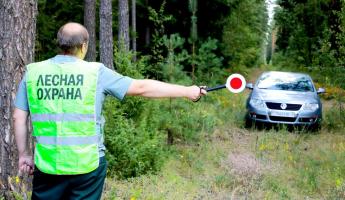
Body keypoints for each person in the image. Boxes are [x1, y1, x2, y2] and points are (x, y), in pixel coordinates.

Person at [13, 22, 207, 200]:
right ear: (83, 46)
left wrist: (24, 155)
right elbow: (141, 87)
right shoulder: (96, 72)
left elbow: (18, 117)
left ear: (60, 44)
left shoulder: (33, 72)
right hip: (87, 167)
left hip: (48, 166)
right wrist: (187, 91)